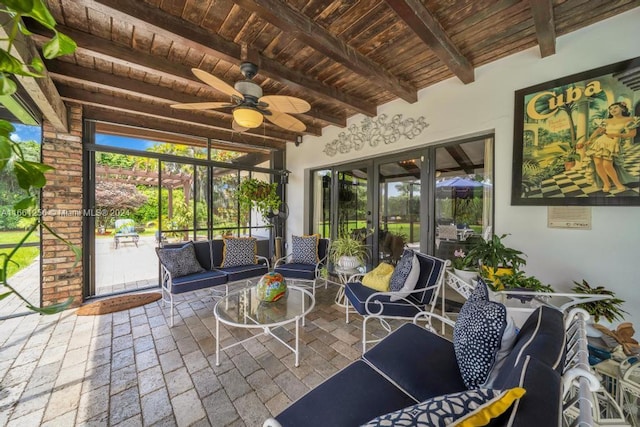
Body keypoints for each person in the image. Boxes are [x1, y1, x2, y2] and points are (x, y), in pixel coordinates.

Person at [579, 102, 639, 192]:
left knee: (607, 165)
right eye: (610, 109)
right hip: (600, 143)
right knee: (598, 164)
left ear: (622, 109)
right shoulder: (607, 121)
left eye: (615, 107)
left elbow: (632, 134)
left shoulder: (629, 120)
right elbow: (598, 130)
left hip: (613, 144)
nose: (613, 110)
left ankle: (617, 183)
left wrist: (617, 134)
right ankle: (606, 183)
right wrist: (590, 139)